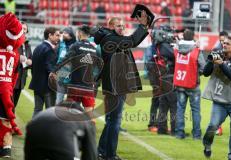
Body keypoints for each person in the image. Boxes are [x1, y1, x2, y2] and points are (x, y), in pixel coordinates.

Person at [95, 10, 149, 160]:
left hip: (115, 85)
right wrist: (143, 26)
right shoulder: (110, 39)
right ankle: (110, 155)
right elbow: (132, 41)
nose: (122, 28)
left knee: (112, 120)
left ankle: (101, 151)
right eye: (119, 26)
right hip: (115, 86)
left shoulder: (111, 38)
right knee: (115, 121)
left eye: (123, 26)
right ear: (110, 26)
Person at [202, 36, 231, 160]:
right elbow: (206, 73)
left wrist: (222, 64)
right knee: (213, 126)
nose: (224, 45)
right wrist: (211, 61)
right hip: (220, 100)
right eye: (223, 43)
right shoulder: (219, 55)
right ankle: (207, 145)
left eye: (227, 44)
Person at [24, 102, 97, 160]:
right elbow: (90, 153)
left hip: (33, 128)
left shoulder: (49, 111)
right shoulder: (84, 119)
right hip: (62, 138)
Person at [0, 13, 25, 158]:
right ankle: (6, 148)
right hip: (7, 89)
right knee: (6, 120)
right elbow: (15, 75)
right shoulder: (15, 54)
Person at [173, 29, 206, 139]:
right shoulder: (196, 50)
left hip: (180, 83)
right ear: (193, 37)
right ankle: (196, 135)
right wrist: (196, 74)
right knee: (195, 110)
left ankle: (179, 133)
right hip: (192, 84)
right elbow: (203, 67)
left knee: (180, 109)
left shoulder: (177, 49)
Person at [29, 27, 60, 118]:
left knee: (37, 110)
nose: (59, 38)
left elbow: (33, 67)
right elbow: (50, 69)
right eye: (57, 35)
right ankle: (48, 132)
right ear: (50, 35)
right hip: (48, 87)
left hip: (37, 85)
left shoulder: (38, 47)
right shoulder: (50, 50)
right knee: (50, 112)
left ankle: (33, 131)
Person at [13, 22, 32, 109]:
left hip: (21, 78)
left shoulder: (27, 44)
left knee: (14, 104)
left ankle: (9, 120)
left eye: (25, 29)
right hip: (12, 77)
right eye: (22, 28)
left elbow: (31, 59)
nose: (23, 31)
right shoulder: (12, 41)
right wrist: (17, 57)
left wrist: (30, 62)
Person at [55, 27, 76, 105]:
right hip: (61, 73)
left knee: (70, 101)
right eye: (63, 32)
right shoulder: (61, 44)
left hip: (72, 74)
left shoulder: (76, 45)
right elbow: (57, 58)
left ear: (71, 35)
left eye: (65, 33)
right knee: (59, 99)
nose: (63, 34)